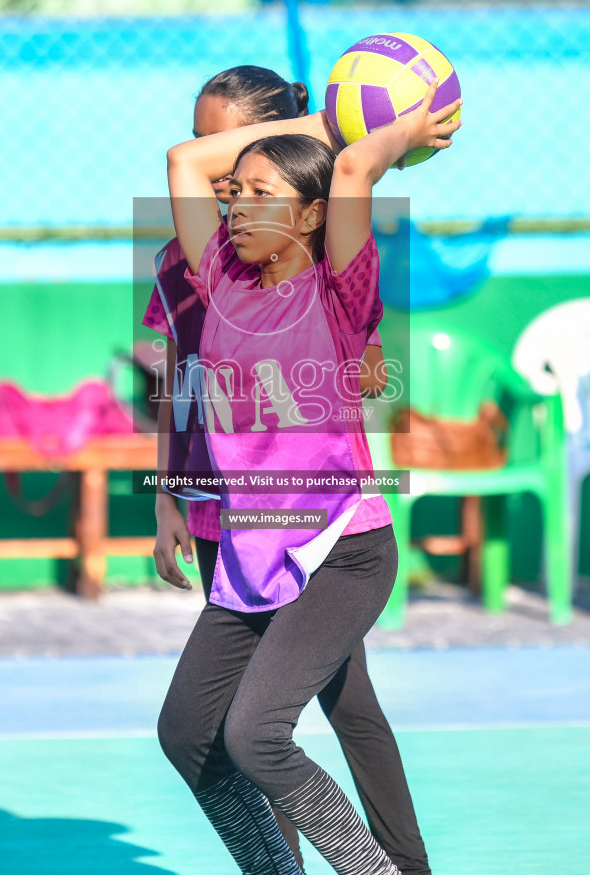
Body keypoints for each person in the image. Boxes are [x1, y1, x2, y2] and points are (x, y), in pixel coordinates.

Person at [155, 85, 460, 875]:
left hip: (341, 553)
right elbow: (186, 161)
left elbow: (355, 165)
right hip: (256, 551)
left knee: (257, 732)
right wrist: (307, 128)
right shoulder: (217, 274)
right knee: (187, 731)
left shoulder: (338, 292)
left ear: (312, 217)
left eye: (265, 195)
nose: (240, 206)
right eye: (238, 194)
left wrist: (373, 129)